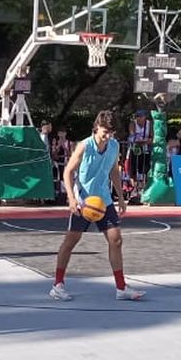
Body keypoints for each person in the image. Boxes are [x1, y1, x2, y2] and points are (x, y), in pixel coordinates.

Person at [50, 110, 143, 302]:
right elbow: (67, 172)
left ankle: (121, 287)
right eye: (105, 132)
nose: (107, 136)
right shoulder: (84, 146)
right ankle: (57, 285)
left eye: (111, 133)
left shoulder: (114, 146)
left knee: (116, 239)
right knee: (71, 241)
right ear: (96, 128)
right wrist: (71, 198)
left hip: (103, 200)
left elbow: (114, 172)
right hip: (84, 200)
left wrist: (121, 198)